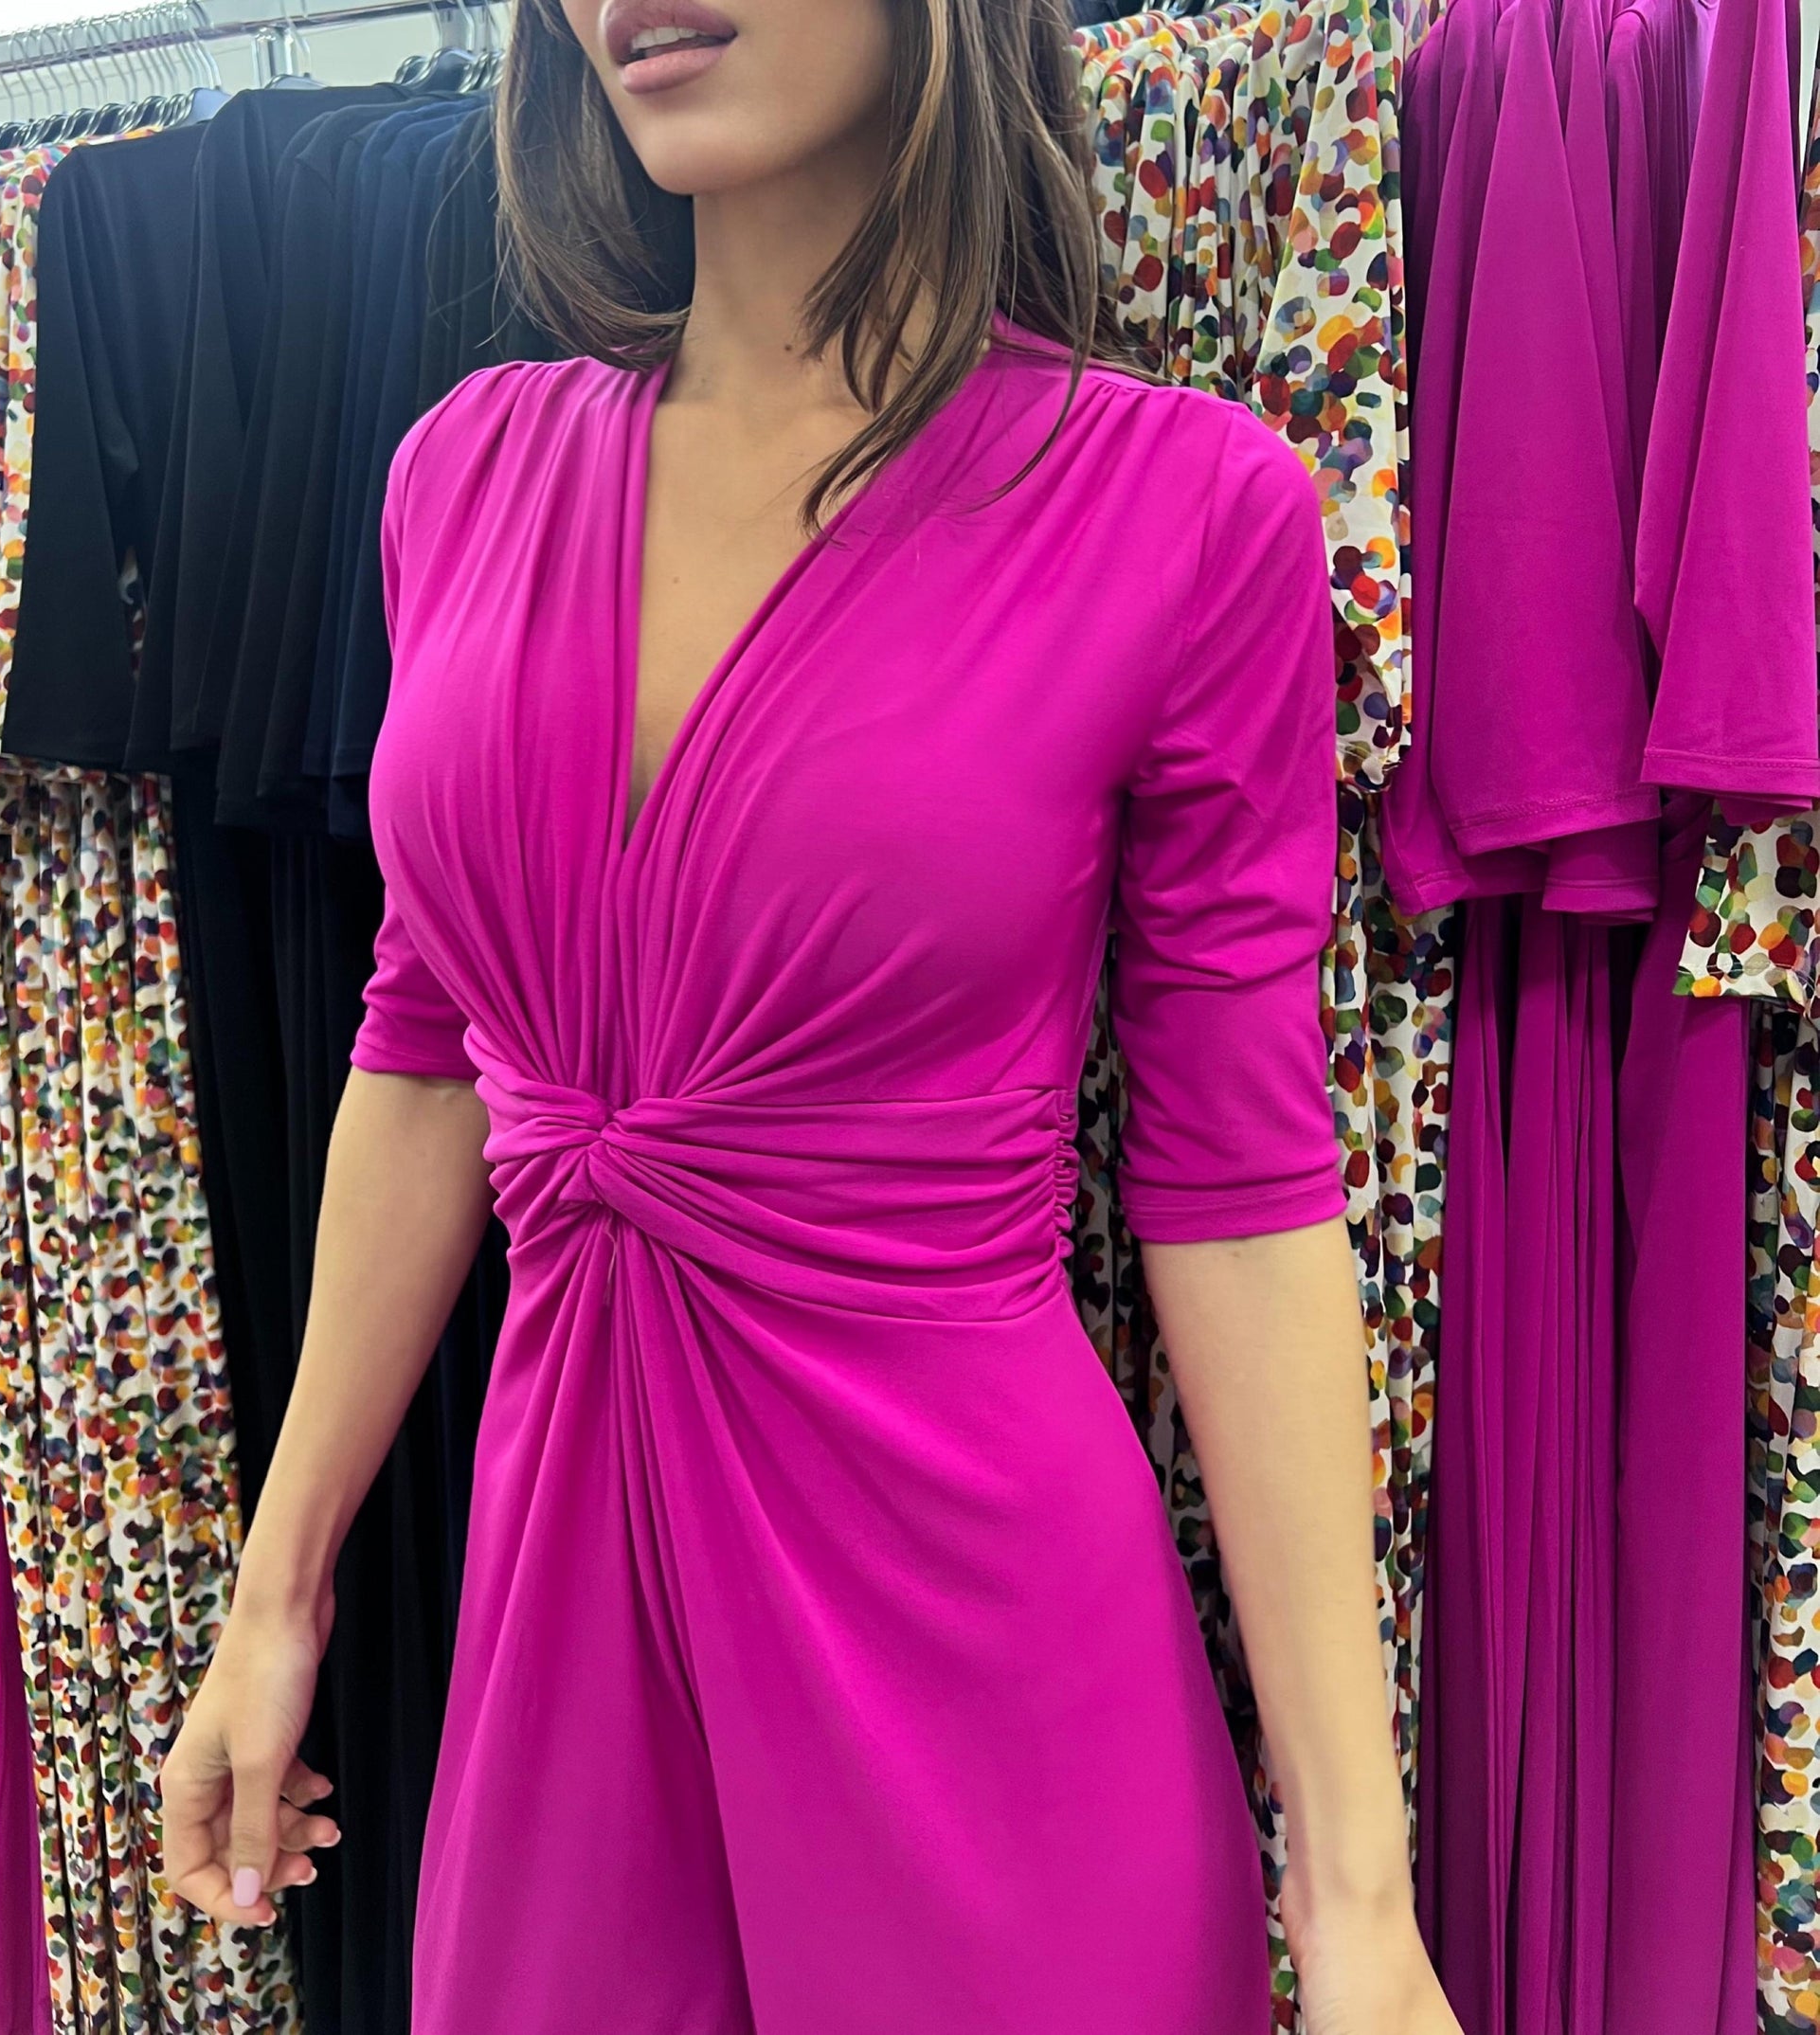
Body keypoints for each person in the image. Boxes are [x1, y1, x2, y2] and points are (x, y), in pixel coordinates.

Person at [160, 3, 1463, 2029]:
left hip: (974, 1637)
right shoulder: (461, 476)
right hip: (561, 1608)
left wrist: (1358, 1892)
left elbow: (1239, 1192)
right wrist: (277, 1591)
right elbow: (423, 1048)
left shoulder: (1179, 510)